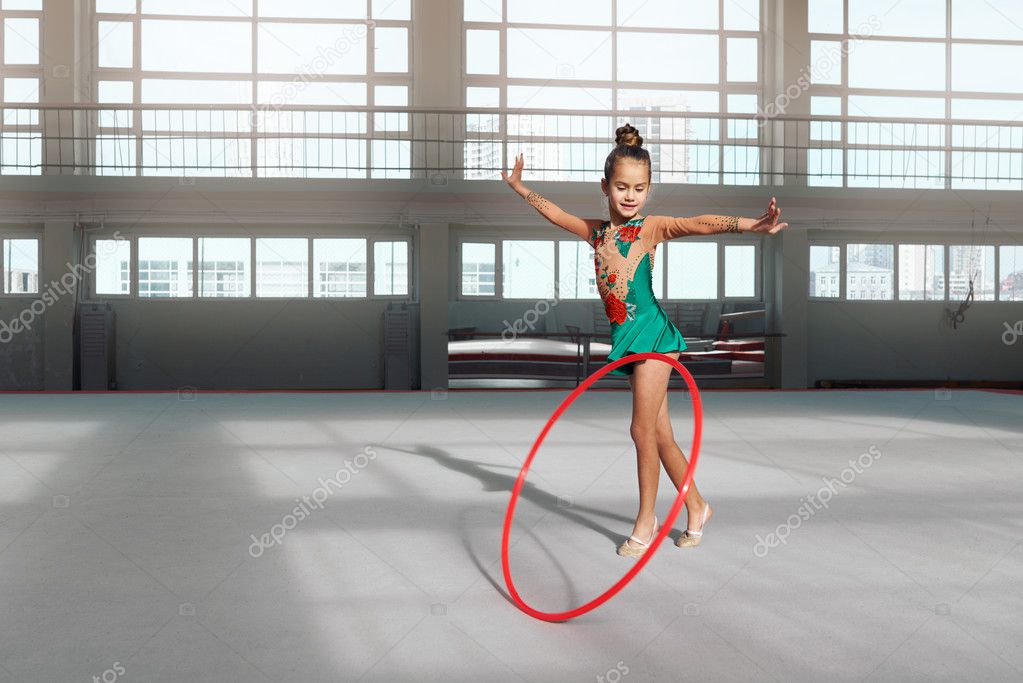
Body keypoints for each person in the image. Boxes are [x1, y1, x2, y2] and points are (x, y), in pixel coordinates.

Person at [501, 122, 787, 557]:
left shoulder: (650, 229)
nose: (630, 195)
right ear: (605, 186)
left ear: (649, 189)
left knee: (639, 429)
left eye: (639, 187)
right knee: (660, 435)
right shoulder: (596, 233)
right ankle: (697, 506)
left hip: (653, 336)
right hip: (627, 341)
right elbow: (556, 214)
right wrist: (520, 188)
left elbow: (698, 223)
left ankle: (646, 519)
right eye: (621, 187)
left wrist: (752, 224)